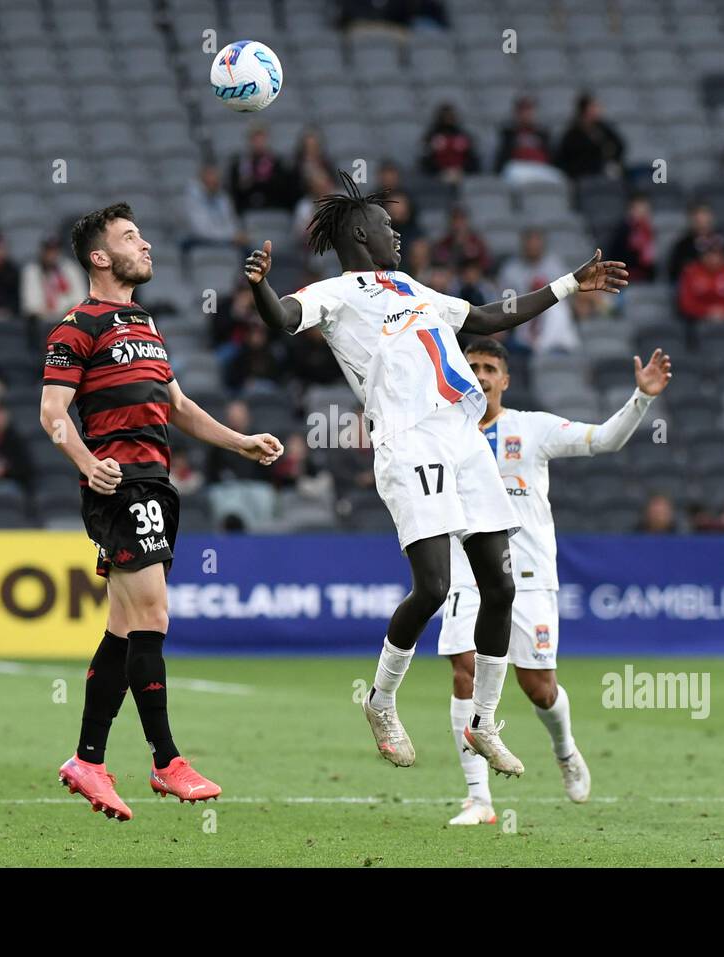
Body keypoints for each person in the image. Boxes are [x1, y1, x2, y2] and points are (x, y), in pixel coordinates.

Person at [243, 170, 629, 777]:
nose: (397, 234)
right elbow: (282, 315)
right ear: (361, 232)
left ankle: (483, 722)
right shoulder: (337, 293)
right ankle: (381, 700)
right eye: (387, 226)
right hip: (407, 441)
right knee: (434, 587)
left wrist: (568, 284)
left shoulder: (412, 288)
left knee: (500, 586)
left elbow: (488, 317)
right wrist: (262, 289)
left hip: (463, 437)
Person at [41, 203, 283, 820]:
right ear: (100, 257)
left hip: (157, 484)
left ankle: (88, 761)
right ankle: (166, 760)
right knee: (153, 614)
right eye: (130, 238)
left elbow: (176, 405)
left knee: (124, 630)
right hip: (121, 487)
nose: (144, 245)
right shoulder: (77, 327)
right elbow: (52, 415)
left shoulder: (145, 323)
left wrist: (240, 442)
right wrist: (86, 461)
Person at [439, 337, 669, 824]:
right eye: (472, 366)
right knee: (465, 668)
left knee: (539, 688)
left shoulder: (533, 429)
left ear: (505, 379)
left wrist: (642, 397)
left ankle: (564, 748)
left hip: (528, 577)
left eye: (488, 368)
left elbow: (604, 439)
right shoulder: (444, 433)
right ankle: (478, 799)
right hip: (467, 573)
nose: (480, 375)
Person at [497, 229, 578, 352]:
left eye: (536, 243)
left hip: (550, 321)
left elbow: (567, 298)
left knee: (558, 308)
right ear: (523, 245)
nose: (533, 247)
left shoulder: (554, 265)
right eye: (529, 244)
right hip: (522, 320)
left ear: (542, 245)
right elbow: (506, 305)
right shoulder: (511, 270)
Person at [493, 95, 564, 186]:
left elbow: (551, 156)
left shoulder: (542, 134)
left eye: (529, 110)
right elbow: (502, 158)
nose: (526, 114)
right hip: (518, 167)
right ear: (517, 113)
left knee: (560, 178)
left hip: (540, 168)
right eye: (523, 111)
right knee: (512, 173)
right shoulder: (509, 133)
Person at [555, 92, 625, 180]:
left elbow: (619, 145)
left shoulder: (603, 128)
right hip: (582, 176)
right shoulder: (572, 133)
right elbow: (567, 159)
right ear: (585, 109)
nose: (599, 109)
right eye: (594, 106)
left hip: (603, 172)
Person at [678, 236, 724, 323]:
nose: (713, 258)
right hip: (697, 321)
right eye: (709, 254)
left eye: (717, 254)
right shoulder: (691, 272)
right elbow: (686, 302)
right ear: (702, 256)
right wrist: (706, 311)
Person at [21, 235, 87, 324]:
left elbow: (81, 300)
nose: (51, 254)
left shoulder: (71, 269)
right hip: (41, 323)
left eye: (55, 250)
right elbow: (30, 306)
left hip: (69, 321)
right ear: (41, 251)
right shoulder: (32, 271)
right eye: (48, 250)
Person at [184, 162, 244, 252]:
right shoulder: (191, 198)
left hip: (223, 240)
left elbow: (231, 222)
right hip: (199, 241)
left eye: (216, 179)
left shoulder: (223, 197)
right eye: (210, 176)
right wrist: (230, 236)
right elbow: (201, 231)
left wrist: (233, 235)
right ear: (202, 178)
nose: (214, 181)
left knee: (251, 252)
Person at [421, 103, 480, 184]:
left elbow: (472, 158)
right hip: (438, 174)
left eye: (451, 116)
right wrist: (441, 171)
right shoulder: (431, 136)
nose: (448, 119)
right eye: (445, 116)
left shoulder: (463, 136)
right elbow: (426, 159)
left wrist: (461, 170)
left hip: (460, 174)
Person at [603, 193, 656, 282]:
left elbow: (650, 261)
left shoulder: (648, 231)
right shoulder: (621, 231)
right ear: (630, 210)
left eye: (646, 211)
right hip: (623, 276)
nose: (643, 214)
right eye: (639, 210)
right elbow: (615, 257)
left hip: (644, 277)